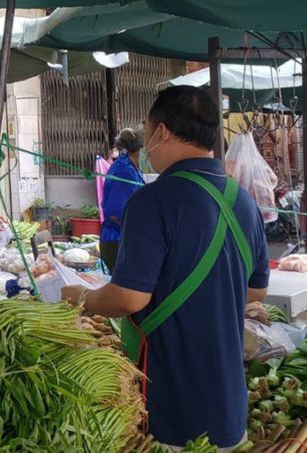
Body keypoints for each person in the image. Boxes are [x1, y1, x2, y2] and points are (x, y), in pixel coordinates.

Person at [61, 86, 269, 451]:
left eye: (147, 127)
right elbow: (256, 292)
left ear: (161, 132)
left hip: (174, 409)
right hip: (230, 408)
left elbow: (128, 298)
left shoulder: (152, 201)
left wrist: (82, 297)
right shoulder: (243, 201)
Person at [99, 128, 144, 273]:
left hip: (121, 240)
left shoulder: (131, 167)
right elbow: (114, 212)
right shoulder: (125, 171)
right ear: (140, 150)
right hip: (117, 242)